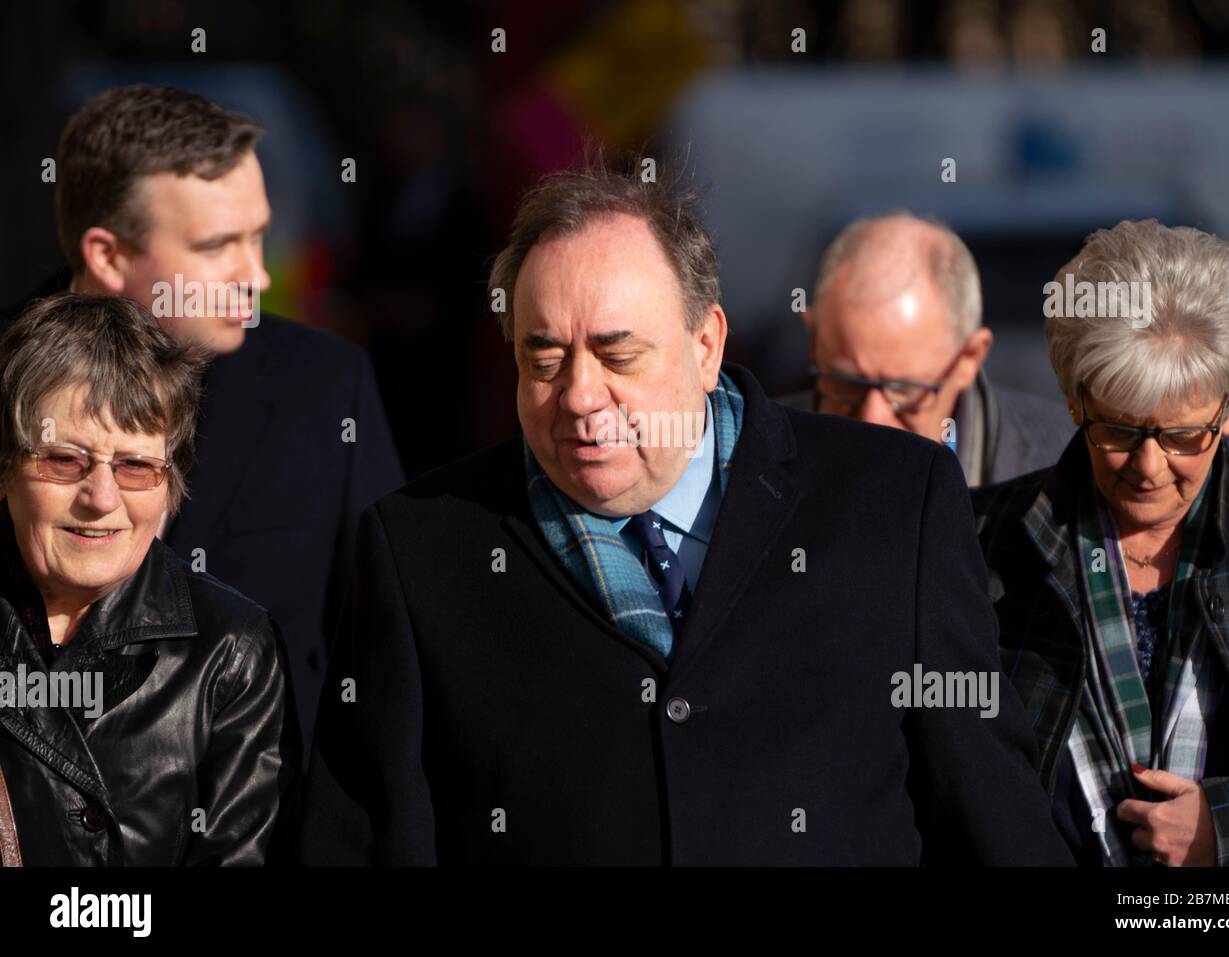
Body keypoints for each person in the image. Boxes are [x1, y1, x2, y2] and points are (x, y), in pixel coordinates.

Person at [300, 158, 1072, 865]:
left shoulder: (893, 503)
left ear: (706, 344)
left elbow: (992, 818)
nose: (577, 393)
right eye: (543, 358)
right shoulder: (422, 550)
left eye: (617, 354)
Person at [3, 85, 405, 755]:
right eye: (218, 245)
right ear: (108, 255)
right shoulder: (5, 382)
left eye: (258, 235)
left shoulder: (328, 389)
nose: (255, 274)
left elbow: (383, 650)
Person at [972, 219, 1229, 866]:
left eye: (1182, 437)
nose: (1148, 467)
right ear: (1074, 399)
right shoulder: (977, 542)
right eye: (1118, 430)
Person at [0, 293, 298, 865]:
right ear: (9, 464)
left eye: (136, 467)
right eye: (65, 460)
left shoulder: (229, 651)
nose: (102, 499)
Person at [797, 214, 1073, 485]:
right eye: (847, 385)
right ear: (814, 341)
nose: (872, 420)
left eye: (902, 389)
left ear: (969, 358)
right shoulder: (760, 452)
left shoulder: (1069, 465)